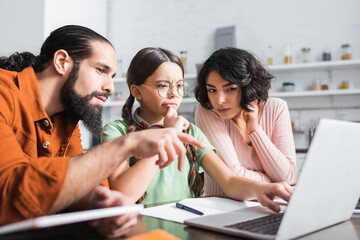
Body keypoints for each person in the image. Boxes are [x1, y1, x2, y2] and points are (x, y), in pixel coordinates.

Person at [0, 25, 205, 238]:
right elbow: (10, 191)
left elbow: (80, 182)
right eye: (101, 70)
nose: (110, 87)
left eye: (112, 75)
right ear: (62, 62)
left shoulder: (67, 118)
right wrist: (126, 144)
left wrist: (99, 201)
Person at [102, 47, 293, 213]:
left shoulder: (190, 131)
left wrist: (259, 189)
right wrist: (168, 135)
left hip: (183, 225)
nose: (174, 94)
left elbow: (229, 181)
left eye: (179, 86)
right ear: (137, 91)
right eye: (162, 86)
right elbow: (123, 194)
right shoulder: (116, 132)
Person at [194, 47, 297, 197]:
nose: (219, 100)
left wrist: (255, 130)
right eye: (212, 90)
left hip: (265, 207)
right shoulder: (207, 112)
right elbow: (233, 175)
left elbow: (288, 176)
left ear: (248, 86)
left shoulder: (276, 108)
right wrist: (274, 182)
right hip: (219, 207)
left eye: (230, 89)